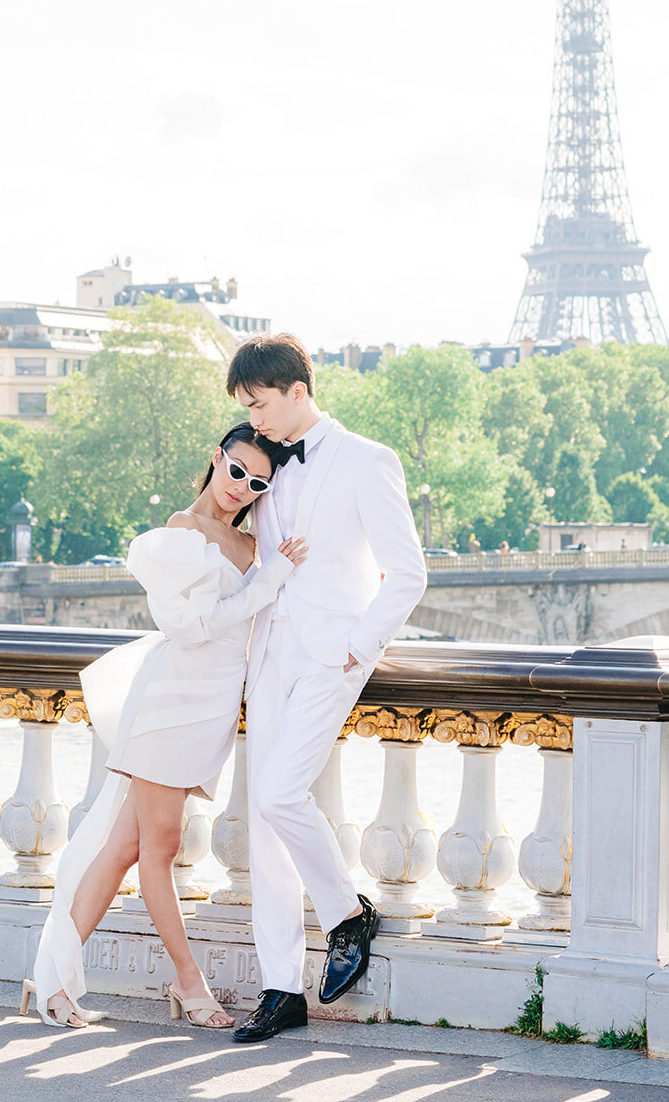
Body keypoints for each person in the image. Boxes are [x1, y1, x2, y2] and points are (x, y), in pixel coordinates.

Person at [22, 422, 308, 1030]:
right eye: (237, 471)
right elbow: (194, 628)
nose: (242, 488)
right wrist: (271, 581)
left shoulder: (254, 543)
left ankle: (49, 981)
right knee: (161, 849)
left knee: (126, 846)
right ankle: (187, 981)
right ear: (217, 458)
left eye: (257, 482)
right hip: (173, 703)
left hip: (208, 708)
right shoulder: (180, 533)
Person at [227, 333, 427, 1044]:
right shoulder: (265, 462)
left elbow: (407, 572)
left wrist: (356, 647)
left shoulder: (368, 461)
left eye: (259, 405)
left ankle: (346, 914)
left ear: (297, 391)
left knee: (281, 794)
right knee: (264, 818)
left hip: (329, 657)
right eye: (245, 410)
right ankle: (279, 987)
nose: (254, 421)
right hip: (269, 652)